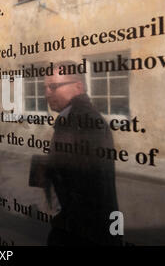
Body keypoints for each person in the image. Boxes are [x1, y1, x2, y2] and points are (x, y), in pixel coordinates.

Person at [29, 61, 121, 246]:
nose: (47, 93)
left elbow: (87, 182)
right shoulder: (71, 118)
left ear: (78, 87)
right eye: (45, 87)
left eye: (53, 86)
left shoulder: (83, 120)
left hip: (82, 232)